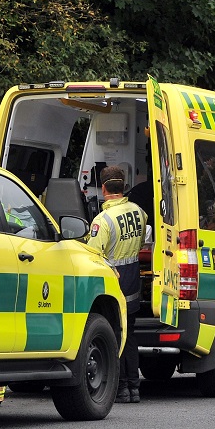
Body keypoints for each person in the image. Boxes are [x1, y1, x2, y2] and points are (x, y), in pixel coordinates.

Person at [88, 165, 150, 403]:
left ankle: (121, 387)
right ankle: (134, 388)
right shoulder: (139, 212)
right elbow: (143, 240)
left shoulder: (102, 220)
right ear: (123, 187)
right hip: (134, 278)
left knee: (114, 335)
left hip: (113, 281)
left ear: (103, 188)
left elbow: (93, 255)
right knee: (130, 334)